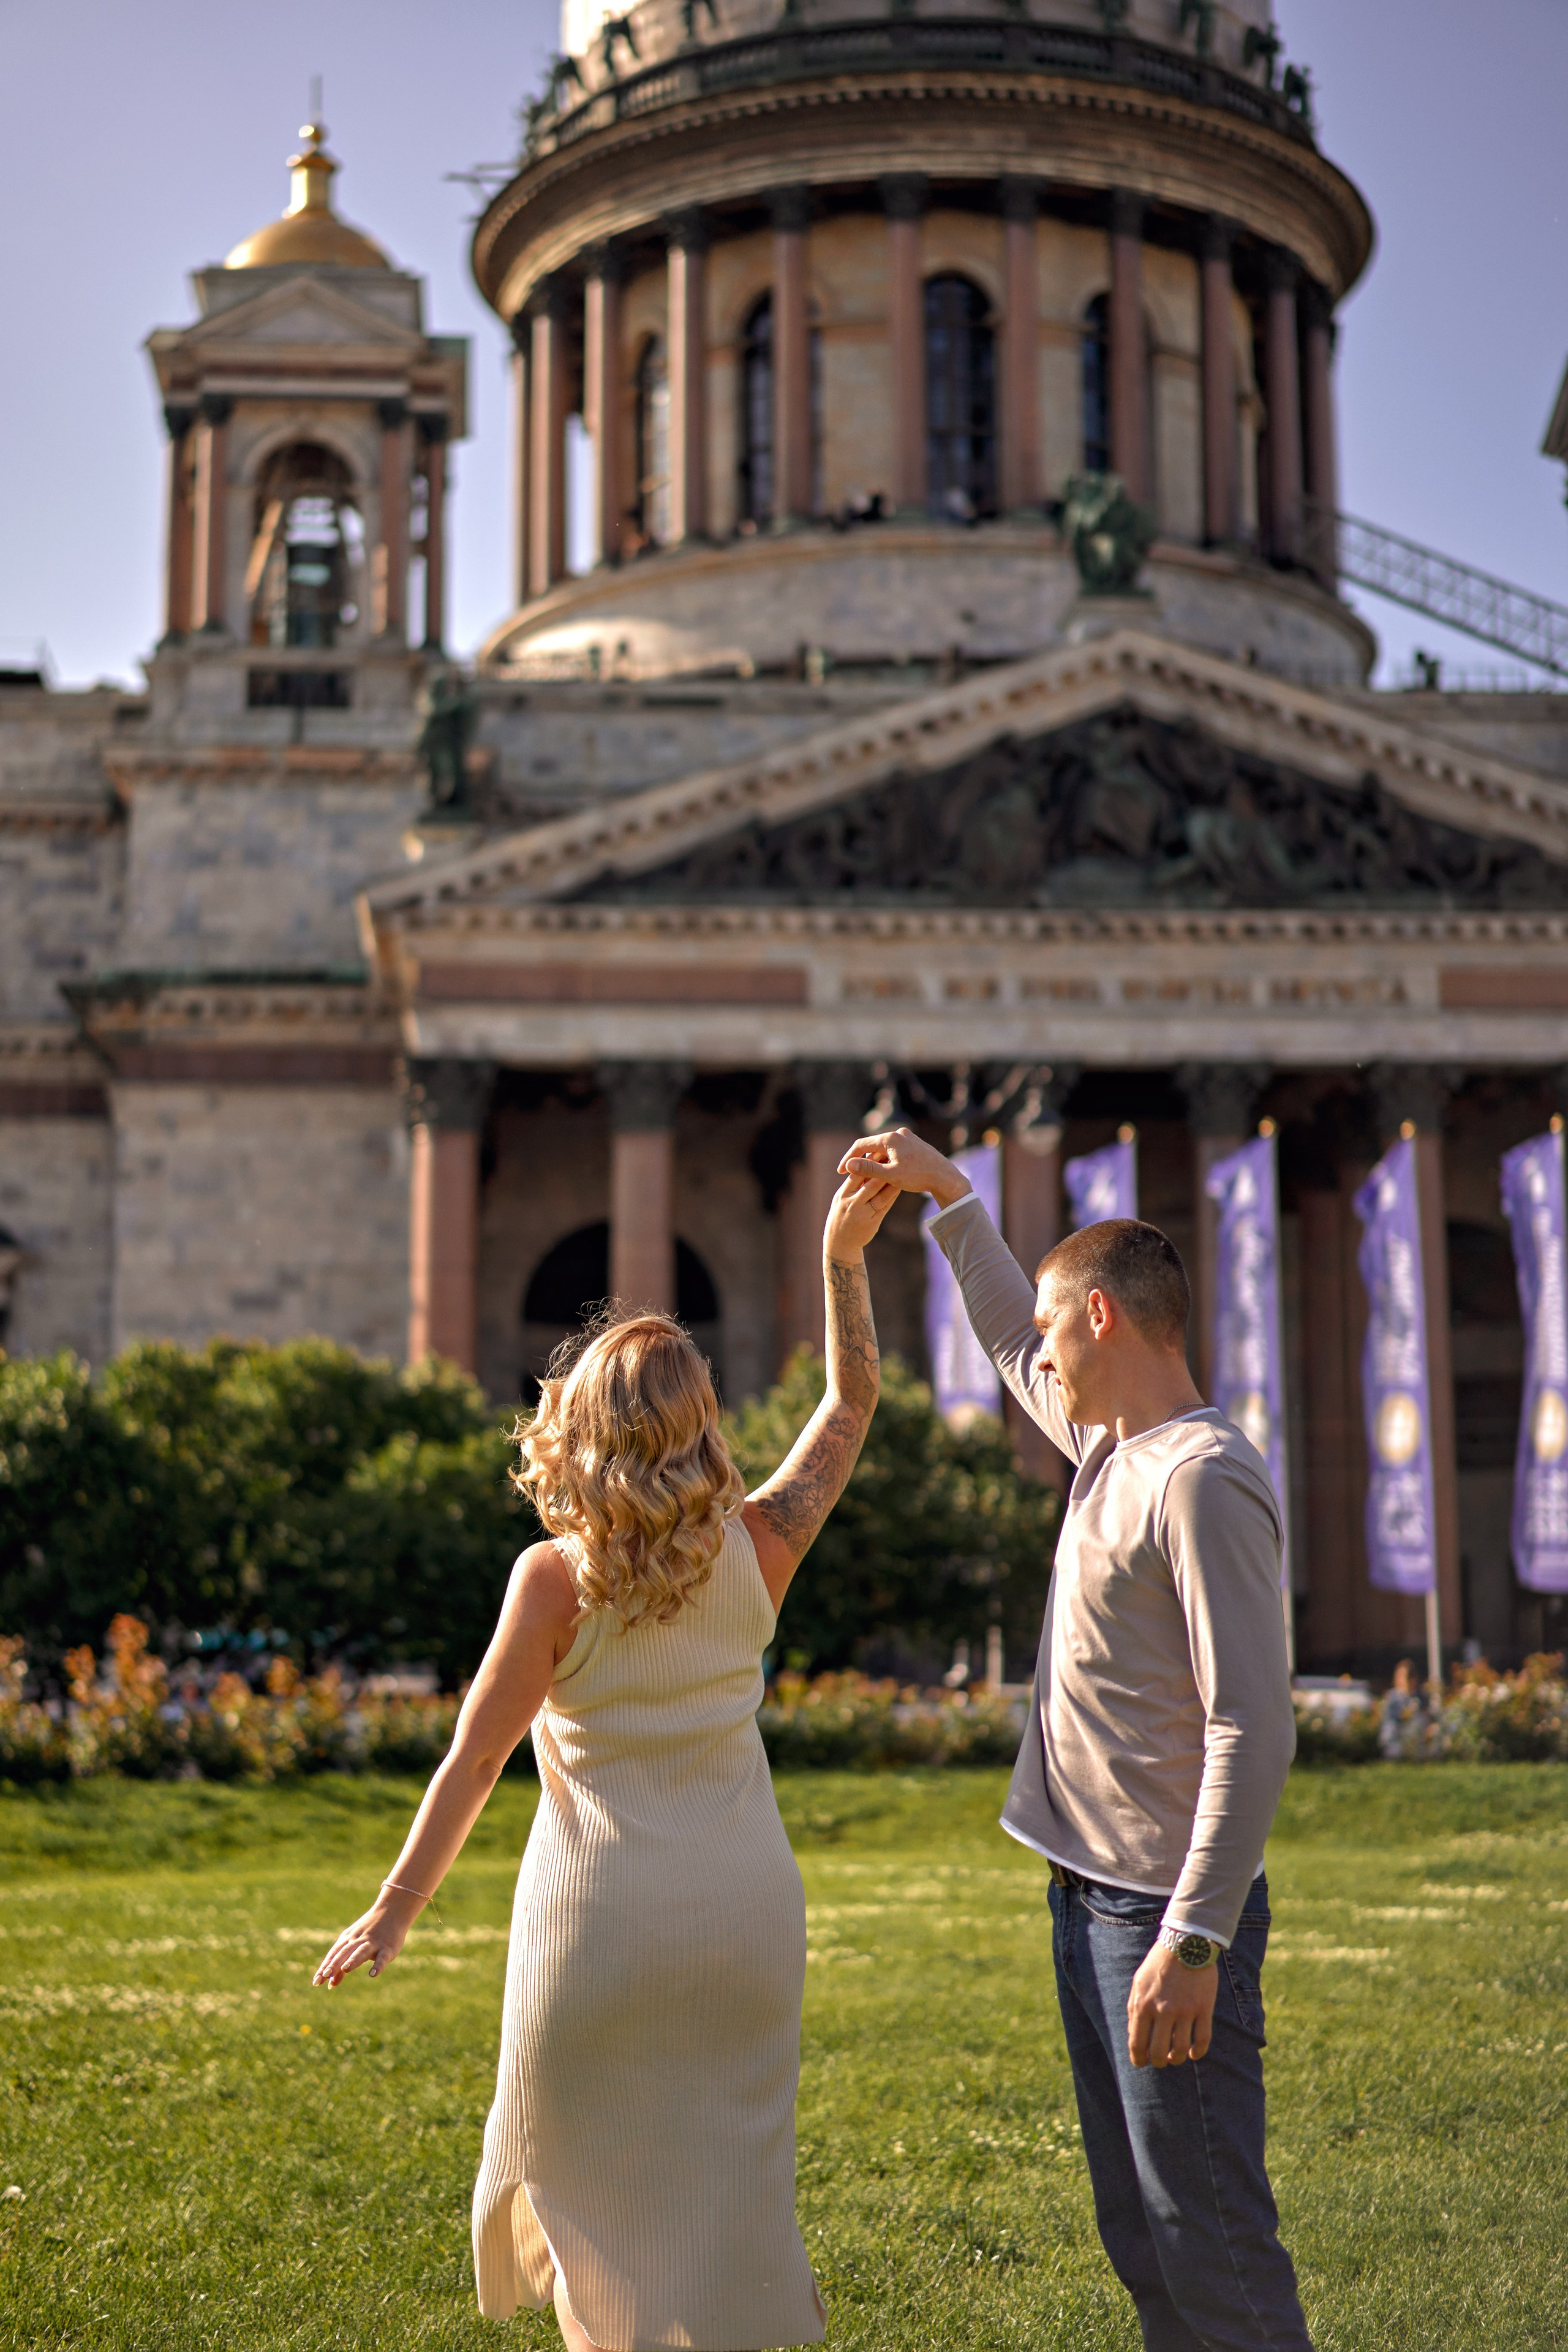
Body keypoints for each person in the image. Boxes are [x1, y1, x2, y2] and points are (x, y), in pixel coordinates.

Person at [314, 1168, 899, 2351]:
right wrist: (843, 1261)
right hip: (744, 1921)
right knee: (729, 2210)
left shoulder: (553, 1580)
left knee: (593, 2218)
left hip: (599, 1924)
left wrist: (395, 1906)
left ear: (581, 1425)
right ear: (701, 1422)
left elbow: (474, 1761)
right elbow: (852, 1401)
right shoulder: (764, 1544)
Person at [840, 1125, 1308, 2352]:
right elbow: (1007, 1336)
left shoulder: (1198, 1477)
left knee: (1210, 2244)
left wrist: (1193, 1940)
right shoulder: (1110, 1446)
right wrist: (949, 1197)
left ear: (1101, 1316)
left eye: (1058, 1327)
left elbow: (1254, 1725)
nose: (1040, 1352)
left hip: (1159, 1915)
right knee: (1145, 2237)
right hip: (1089, 1899)